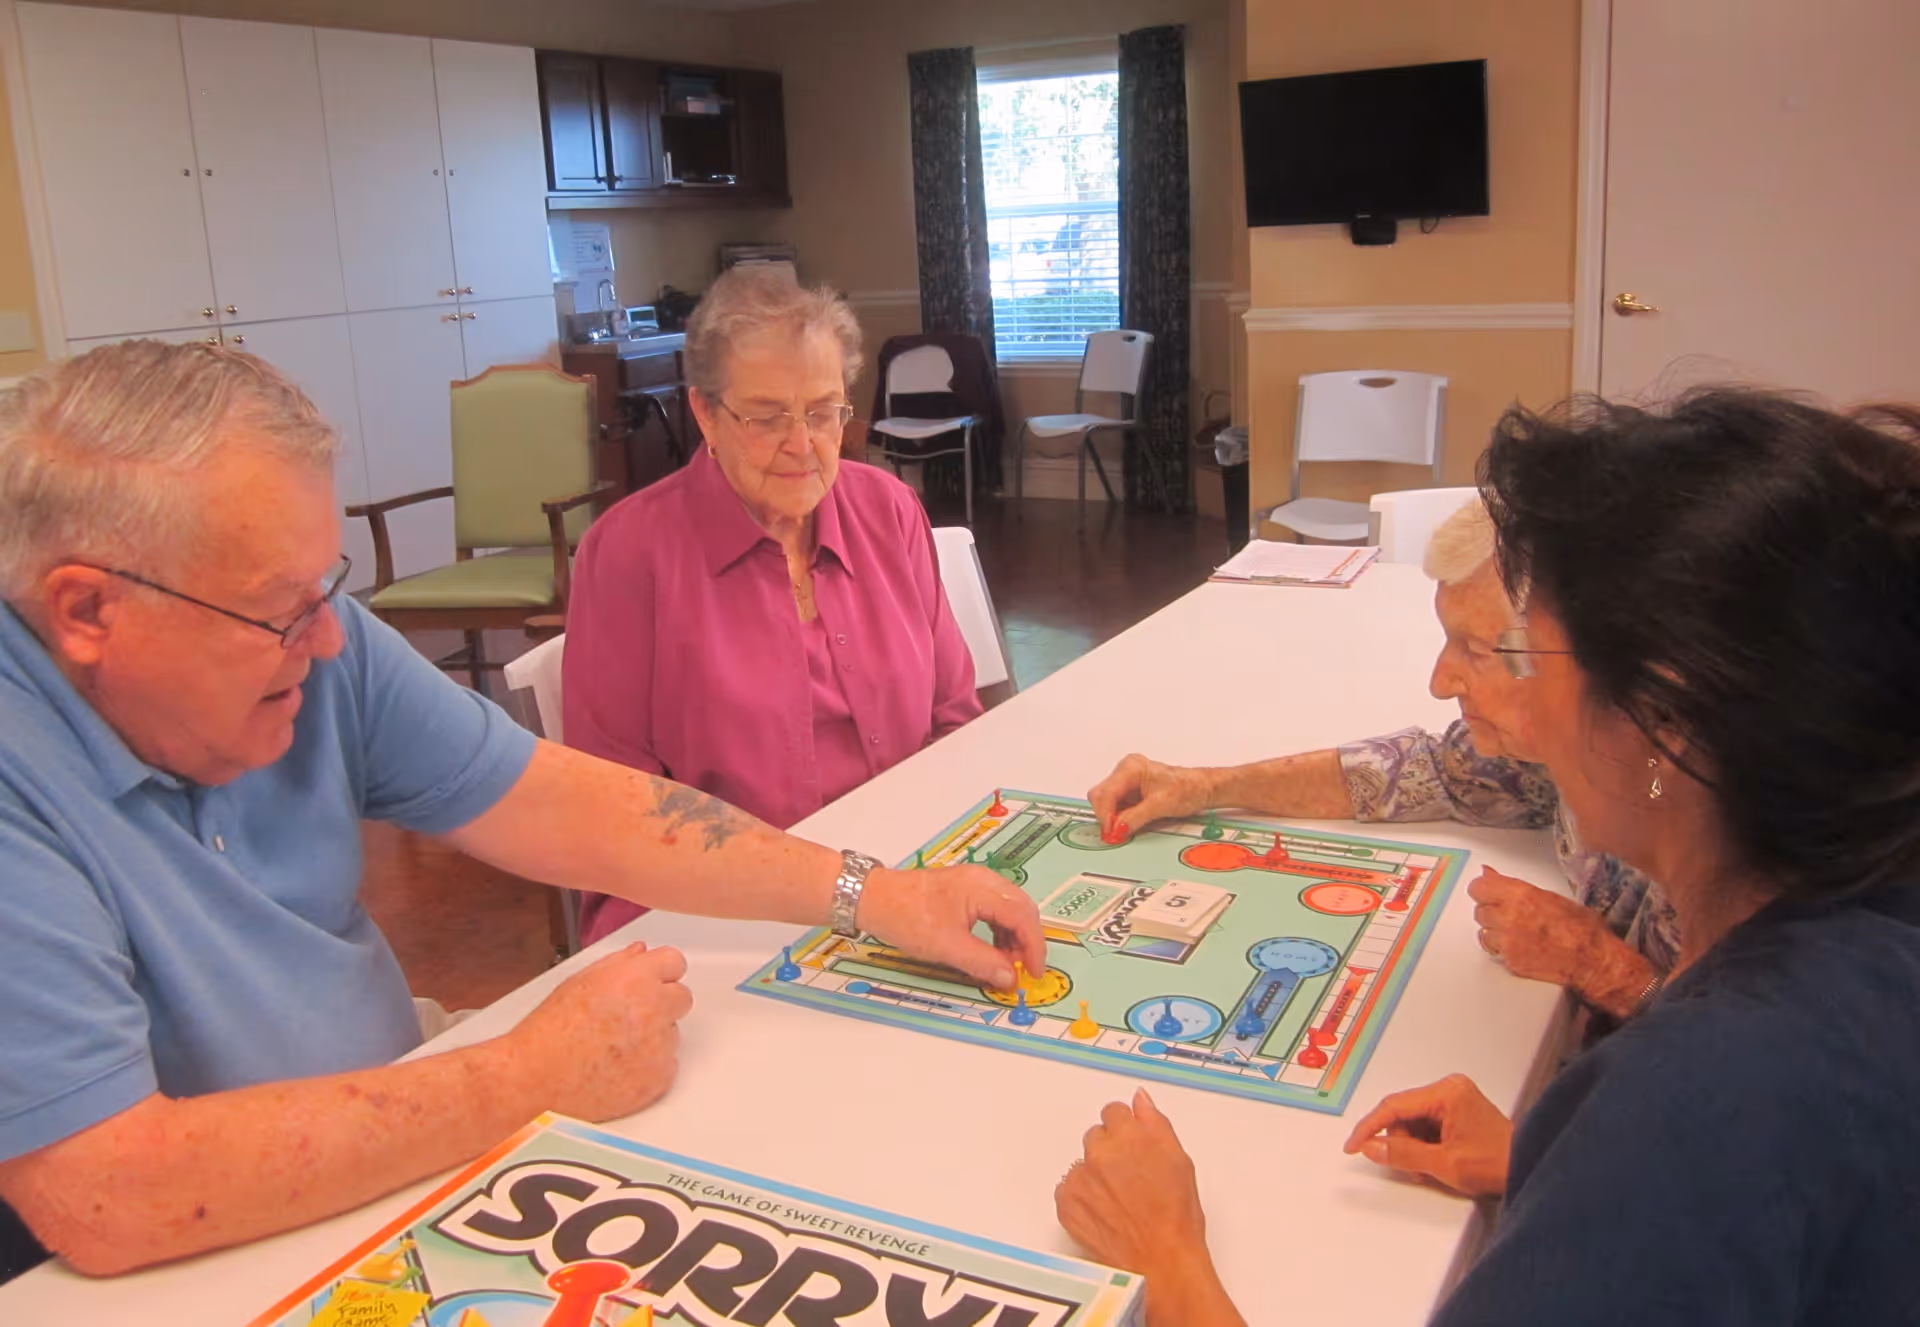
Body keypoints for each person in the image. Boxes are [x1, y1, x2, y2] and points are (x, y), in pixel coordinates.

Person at [0, 340, 1044, 1279]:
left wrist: (870, 893)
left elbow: (568, 804)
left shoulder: (316, 641)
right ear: (88, 610)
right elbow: (106, 1192)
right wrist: (525, 1075)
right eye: (279, 614)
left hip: (398, 1115)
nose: (325, 645)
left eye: (330, 591)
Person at [1056, 388, 1920, 1323]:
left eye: (1537, 655)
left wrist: (1168, 1258)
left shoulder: (1696, 1108)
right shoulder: (1868, 928)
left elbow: (1702, 1171)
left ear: (1663, 723)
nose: (1459, 691)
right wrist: (1544, 1153)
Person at [1088, 498, 1675, 1024]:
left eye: (1474, 649)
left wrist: (1606, 971)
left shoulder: (1706, 811)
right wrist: (1205, 786)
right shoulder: (1569, 742)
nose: (1440, 683)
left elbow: (1750, 1081)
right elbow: (1424, 772)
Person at [564, 266, 983, 946]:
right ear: (705, 412)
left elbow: (954, 720)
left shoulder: (890, 511)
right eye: (766, 417)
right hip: (731, 917)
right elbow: (615, 819)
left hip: (909, 884)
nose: (802, 444)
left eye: (823, 412)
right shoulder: (628, 554)